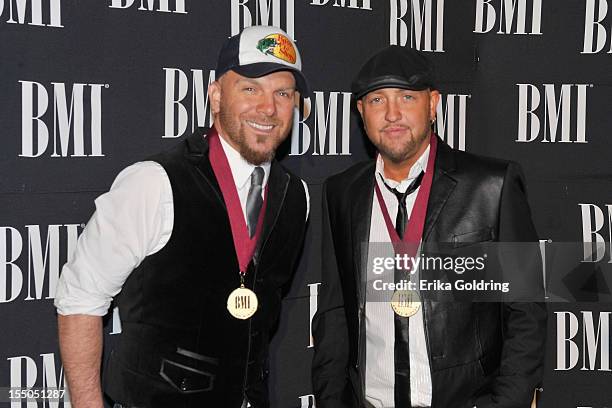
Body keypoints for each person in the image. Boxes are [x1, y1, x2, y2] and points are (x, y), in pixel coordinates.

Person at [54, 25, 310, 408]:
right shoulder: (153, 182)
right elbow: (79, 300)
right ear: (216, 96)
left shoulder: (296, 197)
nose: (268, 107)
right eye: (250, 88)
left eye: (283, 93)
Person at [311, 45, 546, 408]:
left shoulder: (492, 186)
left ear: (433, 104)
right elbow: (333, 314)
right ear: (361, 111)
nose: (392, 114)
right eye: (376, 100)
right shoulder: (341, 193)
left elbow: (525, 312)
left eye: (406, 97)